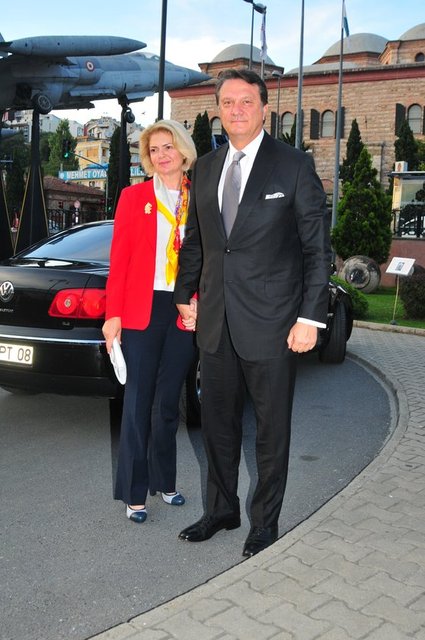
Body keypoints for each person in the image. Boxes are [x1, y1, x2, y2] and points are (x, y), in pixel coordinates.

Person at [174, 69, 332, 556]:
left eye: (246, 101)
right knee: (217, 426)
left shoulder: (294, 165)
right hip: (216, 323)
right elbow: (198, 242)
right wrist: (185, 294)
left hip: (274, 325)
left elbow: (316, 249)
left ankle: (265, 521)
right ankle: (221, 510)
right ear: (218, 111)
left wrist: (311, 318)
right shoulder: (205, 168)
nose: (236, 109)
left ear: (265, 108)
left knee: (270, 430)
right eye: (227, 102)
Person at [103, 119, 197, 524]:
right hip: (141, 308)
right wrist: (113, 315)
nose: (161, 155)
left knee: (168, 403)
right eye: (154, 150)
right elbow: (119, 260)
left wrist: (199, 302)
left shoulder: (201, 197)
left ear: (183, 150)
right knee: (138, 403)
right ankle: (134, 492)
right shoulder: (134, 197)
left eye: (168, 147)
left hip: (184, 308)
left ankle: (165, 480)